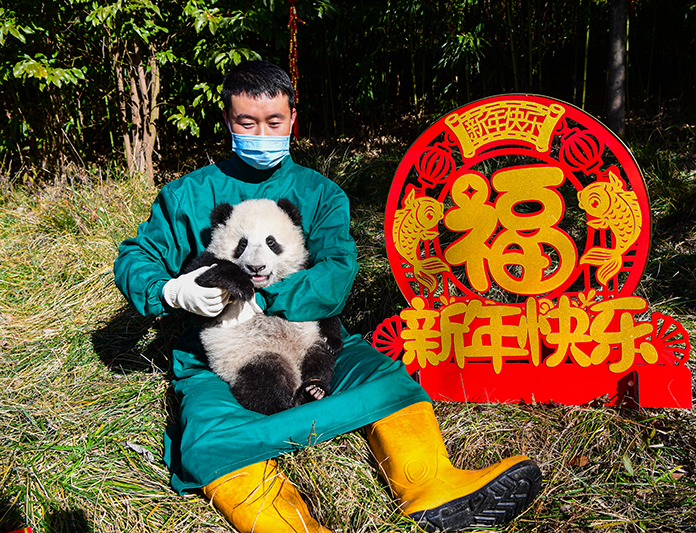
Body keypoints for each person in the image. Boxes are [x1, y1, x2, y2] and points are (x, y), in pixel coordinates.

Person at [114, 60, 542, 533]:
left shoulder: (321, 194)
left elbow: (339, 272)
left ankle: (431, 481)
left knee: (385, 378)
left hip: (310, 328)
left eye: (274, 122)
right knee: (207, 431)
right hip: (219, 345)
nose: (262, 132)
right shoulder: (187, 195)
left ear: (293, 119)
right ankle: (289, 525)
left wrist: (266, 296)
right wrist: (172, 289)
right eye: (247, 122)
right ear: (227, 121)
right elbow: (138, 257)